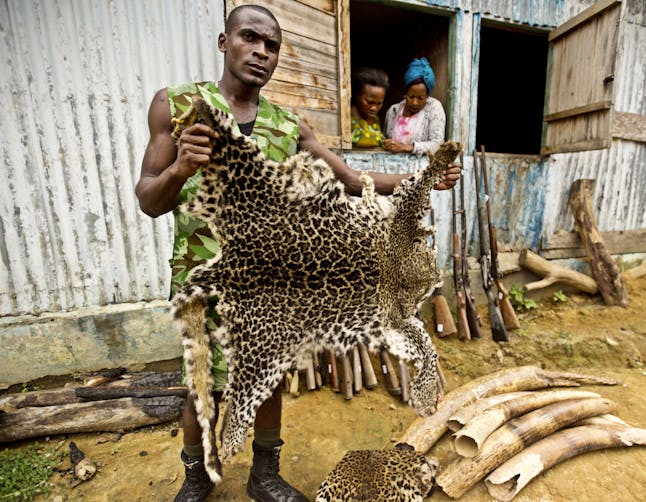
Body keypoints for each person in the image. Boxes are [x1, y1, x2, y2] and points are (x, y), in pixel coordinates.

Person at [135, 5, 460, 502]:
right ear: (225, 42)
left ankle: (264, 476)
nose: (261, 52)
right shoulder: (177, 105)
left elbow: (351, 180)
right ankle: (196, 477)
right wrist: (179, 169)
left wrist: (425, 179)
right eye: (250, 38)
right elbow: (147, 200)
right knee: (200, 384)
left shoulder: (287, 127)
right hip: (203, 279)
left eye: (272, 46)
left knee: (269, 376)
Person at [384, 57, 446, 155]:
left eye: (420, 98)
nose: (415, 102)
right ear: (405, 93)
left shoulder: (434, 108)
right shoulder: (393, 111)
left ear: (427, 96)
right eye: (411, 97)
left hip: (419, 169)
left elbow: (438, 144)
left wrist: (406, 147)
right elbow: (385, 139)